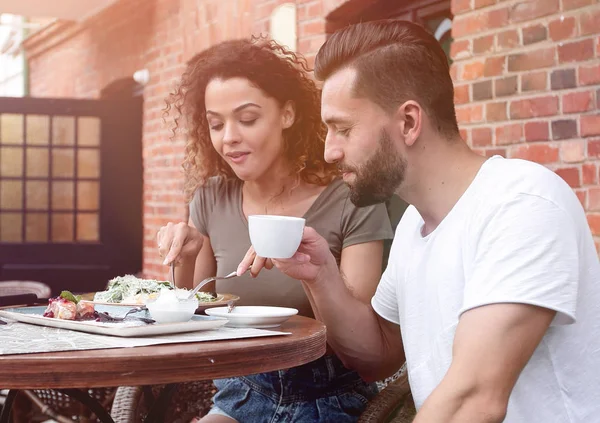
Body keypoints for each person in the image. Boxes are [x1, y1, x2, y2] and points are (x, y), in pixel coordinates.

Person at [239, 20, 600, 423]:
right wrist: (319, 275)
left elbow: (474, 398)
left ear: (409, 122)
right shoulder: (414, 225)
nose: (329, 152)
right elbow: (375, 355)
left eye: (342, 128)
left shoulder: (521, 203)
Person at [157, 37, 394, 423]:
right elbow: (191, 315)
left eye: (247, 119)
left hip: (331, 397)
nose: (228, 136)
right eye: (215, 124)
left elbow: (361, 344)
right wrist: (183, 261)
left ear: (287, 114)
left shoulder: (351, 198)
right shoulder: (211, 198)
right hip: (242, 392)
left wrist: (316, 273)